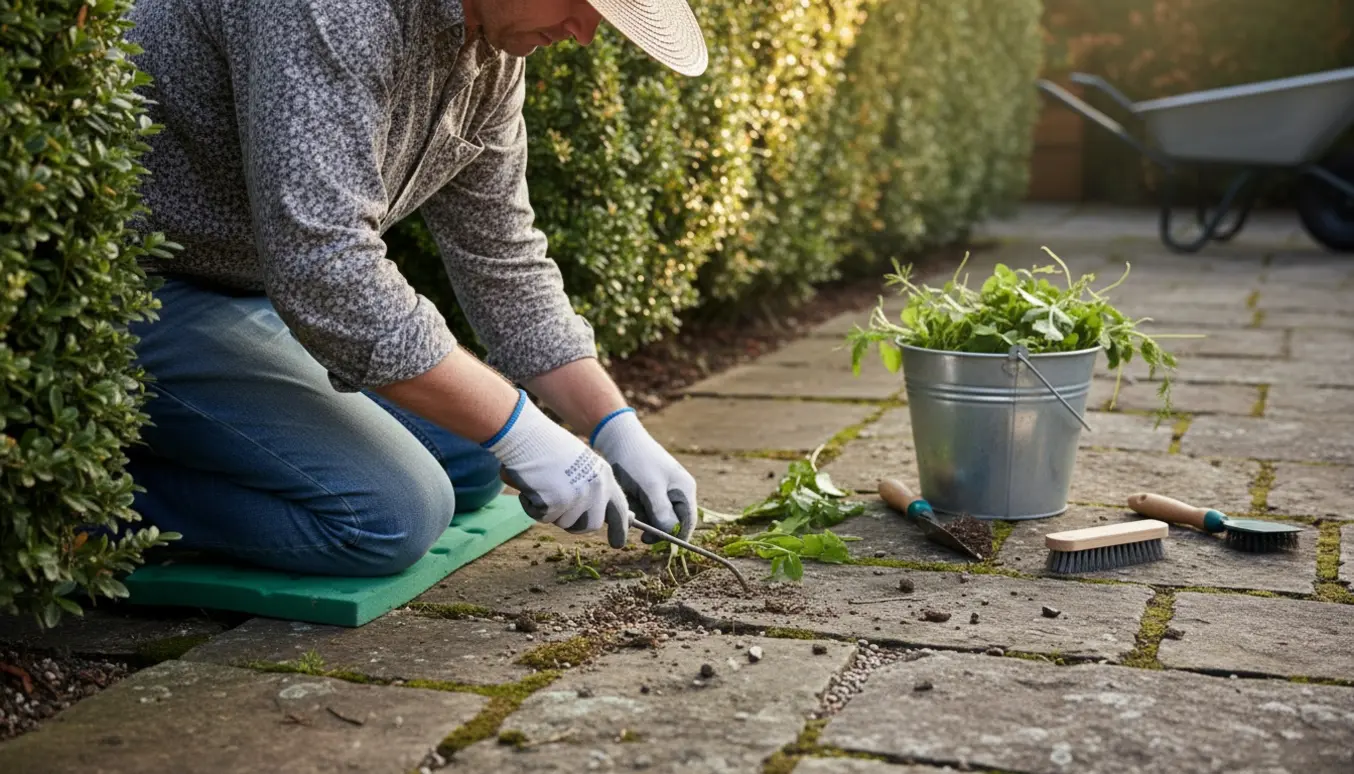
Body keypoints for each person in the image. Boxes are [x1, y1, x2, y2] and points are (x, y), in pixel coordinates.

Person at [120, 0, 708, 577]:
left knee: (474, 459)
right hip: (133, 291)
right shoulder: (337, 12)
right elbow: (327, 268)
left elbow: (502, 257)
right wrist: (526, 431)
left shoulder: (490, 55)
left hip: (246, 297)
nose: (584, 33)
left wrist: (615, 427)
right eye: (580, 4)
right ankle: (89, 506)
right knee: (393, 515)